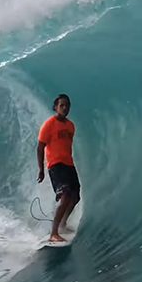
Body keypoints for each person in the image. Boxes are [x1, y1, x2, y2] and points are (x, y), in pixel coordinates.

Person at [37, 93, 80, 243]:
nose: (65, 108)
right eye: (61, 105)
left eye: (67, 105)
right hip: (55, 165)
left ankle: (62, 224)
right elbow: (40, 147)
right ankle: (53, 233)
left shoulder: (70, 126)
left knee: (75, 198)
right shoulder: (48, 124)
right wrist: (41, 169)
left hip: (69, 164)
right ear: (55, 107)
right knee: (65, 195)